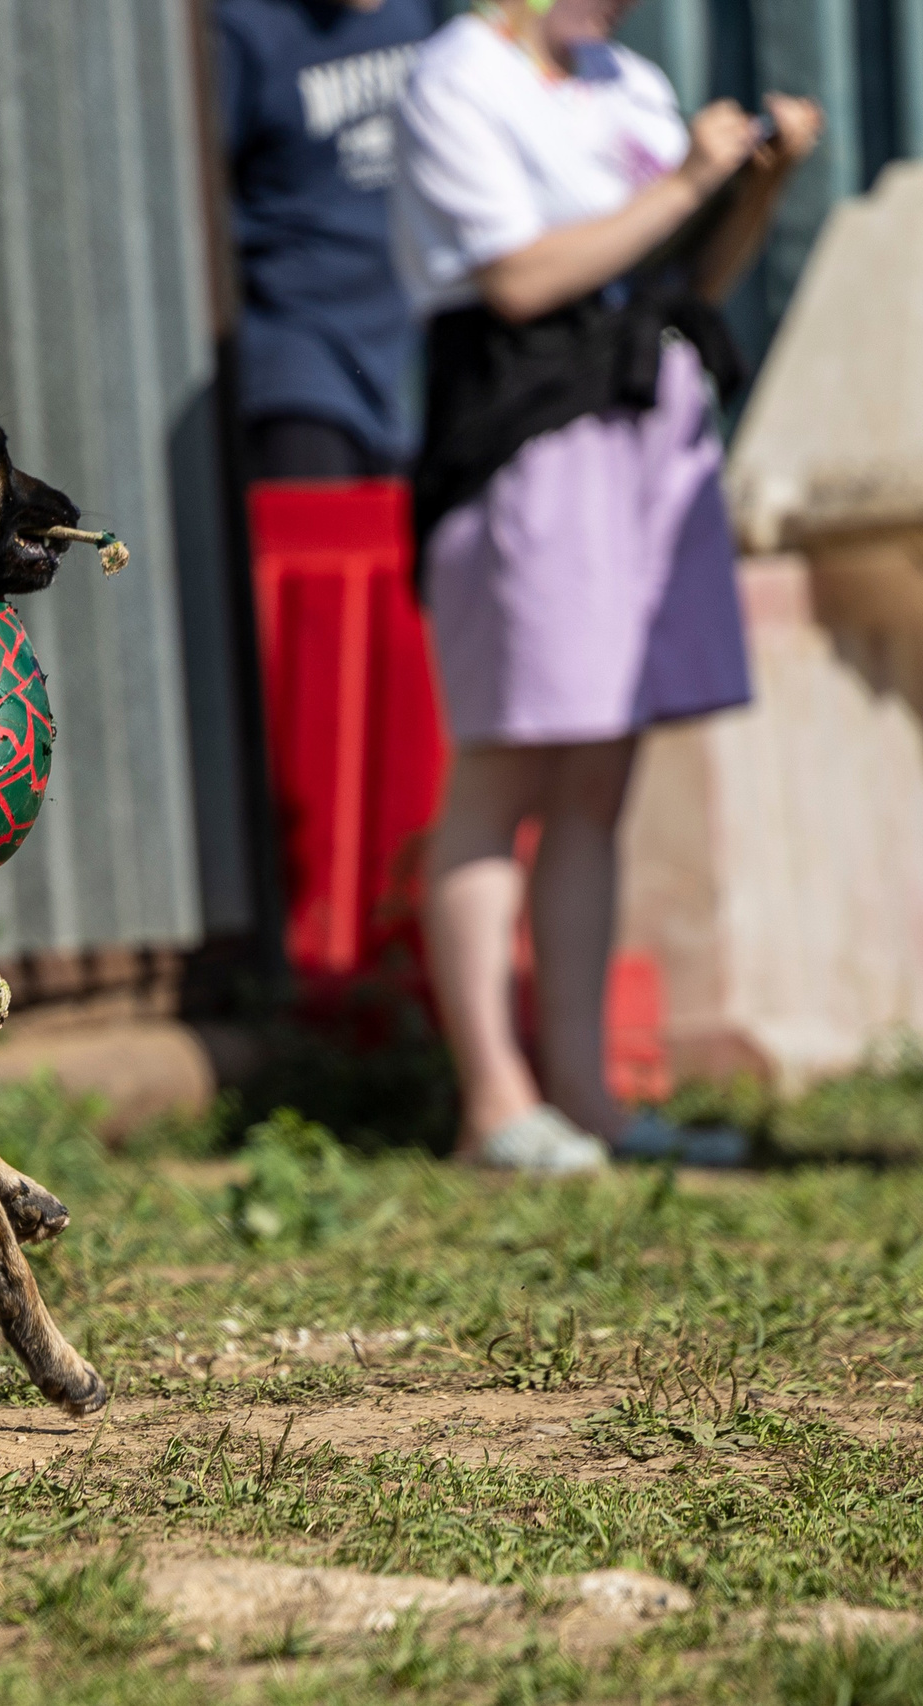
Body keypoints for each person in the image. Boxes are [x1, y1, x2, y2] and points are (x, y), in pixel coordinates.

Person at [391, 0, 822, 1171]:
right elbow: (520, 278)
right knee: (502, 765)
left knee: (597, 774)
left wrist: (755, 187)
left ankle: (585, 1097)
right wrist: (688, 181)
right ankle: (492, 1102)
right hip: (521, 436)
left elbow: (685, 273)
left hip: (641, 433)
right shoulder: (456, 79)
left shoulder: (623, 80)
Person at [217, 0, 439, 480]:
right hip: (301, 365)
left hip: (408, 356)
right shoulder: (241, 29)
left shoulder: (417, 13)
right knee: (318, 529)